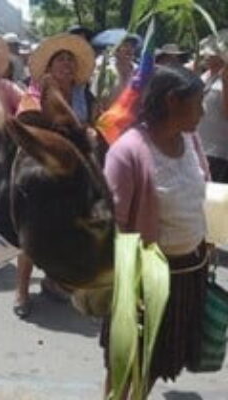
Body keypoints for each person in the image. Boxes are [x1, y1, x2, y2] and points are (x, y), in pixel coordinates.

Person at [103, 65, 209, 396]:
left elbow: (203, 184)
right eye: (198, 103)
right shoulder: (129, 151)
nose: (203, 112)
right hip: (142, 281)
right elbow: (113, 224)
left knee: (156, 361)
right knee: (126, 361)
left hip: (188, 273)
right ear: (172, 101)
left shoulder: (191, 139)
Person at [14, 33, 98, 318]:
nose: (66, 64)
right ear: (48, 67)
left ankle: (53, 280)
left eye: (70, 61)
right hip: (41, 170)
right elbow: (26, 125)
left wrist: (90, 131)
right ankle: (22, 291)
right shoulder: (35, 92)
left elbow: (94, 123)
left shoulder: (84, 93)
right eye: (61, 59)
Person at [197, 33, 228, 183]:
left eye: (211, 53)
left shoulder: (225, 78)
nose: (206, 56)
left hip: (218, 152)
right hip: (198, 148)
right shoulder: (204, 76)